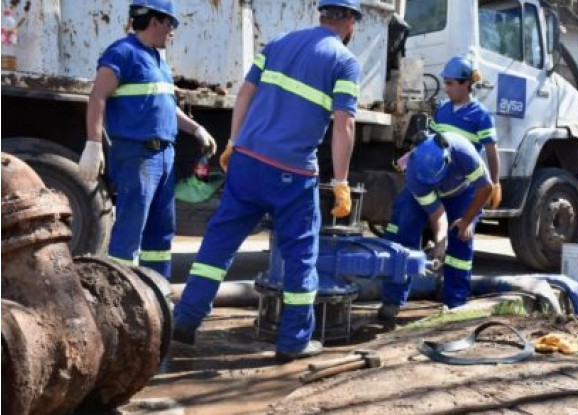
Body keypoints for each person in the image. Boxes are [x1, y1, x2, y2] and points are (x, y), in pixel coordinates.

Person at [172, 0, 362, 362]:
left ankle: (186, 320)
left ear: (322, 13)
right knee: (300, 257)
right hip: (292, 174)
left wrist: (234, 143)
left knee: (219, 243)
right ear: (350, 21)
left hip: (246, 161)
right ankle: (293, 342)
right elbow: (344, 124)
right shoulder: (344, 62)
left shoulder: (279, 42)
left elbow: (244, 94)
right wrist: (340, 180)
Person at [79, 0, 217, 279]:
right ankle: (119, 292)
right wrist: (93, 143)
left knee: (161, 234)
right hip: (137, 156)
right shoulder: (122, 53)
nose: (173, 32)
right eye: (171, 24)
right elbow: (98, 96)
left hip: (164, 156)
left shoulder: (156, 59)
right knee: (130, 231)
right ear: (155, 21)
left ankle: (156, 291)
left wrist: (195, 128)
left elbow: (166, 104)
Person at [379, 132, 494, 320]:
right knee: (402, 230)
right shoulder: (415, 174)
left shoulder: (463, 152)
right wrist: (441, 243)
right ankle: (392, 300)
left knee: (461, 238)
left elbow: (486, 187)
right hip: (427, 195)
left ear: (448, 160)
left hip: (462, 193)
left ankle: (455, 306)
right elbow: (436, 213)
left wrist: (466, 220)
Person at [430, 56, 501, 207]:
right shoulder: (441, 110)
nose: (446, 88)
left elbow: (491, 151)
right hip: (438, 184)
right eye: (445, 83)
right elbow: (429, 144)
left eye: (450, 83)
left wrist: (495, 183)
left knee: (458, 230)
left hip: (464, 190)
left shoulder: (481, 115)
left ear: (466, 83)